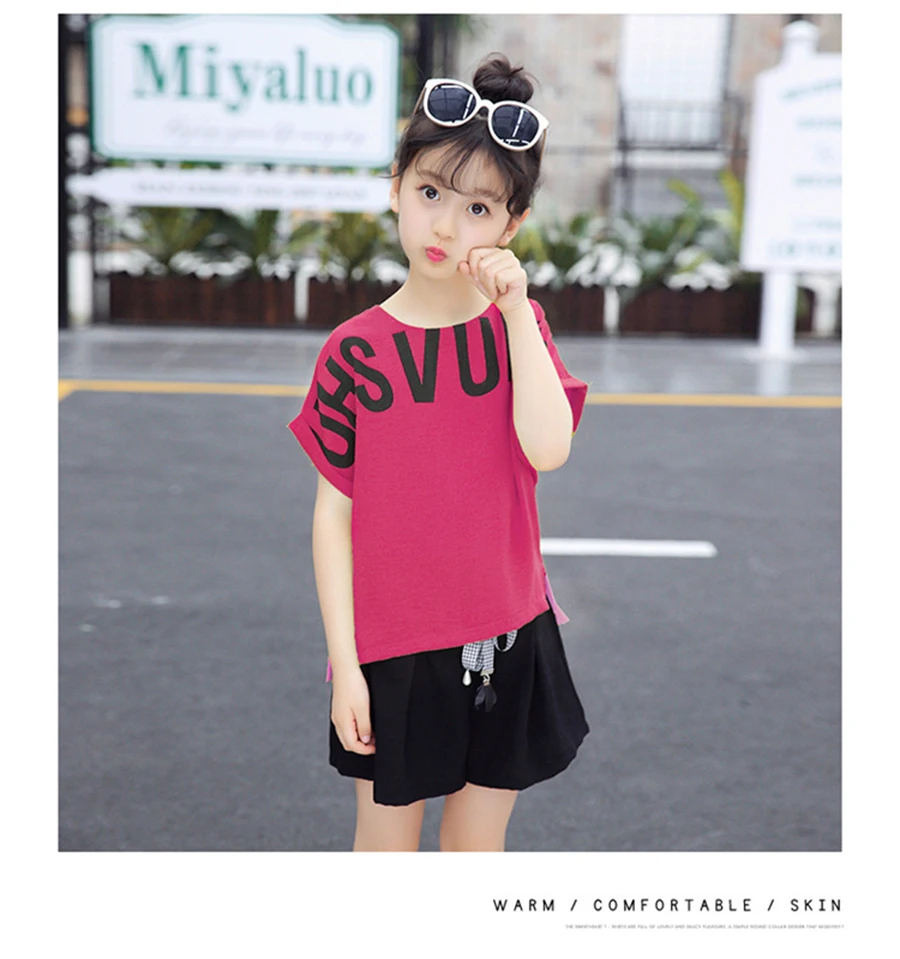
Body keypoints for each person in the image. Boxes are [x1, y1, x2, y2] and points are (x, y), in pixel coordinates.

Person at [287, 53, 590, 852]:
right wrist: (345, 665)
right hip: (391, 652)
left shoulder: (518, 330)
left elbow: (548, 448)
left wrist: (517, 311)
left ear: (512, 225)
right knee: (385, 850)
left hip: (509, 634)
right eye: (430, 194)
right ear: (396, 187)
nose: (447, 227)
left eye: (478, 207)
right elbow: (333, 517)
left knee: (474, 852)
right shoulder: (354, 350)